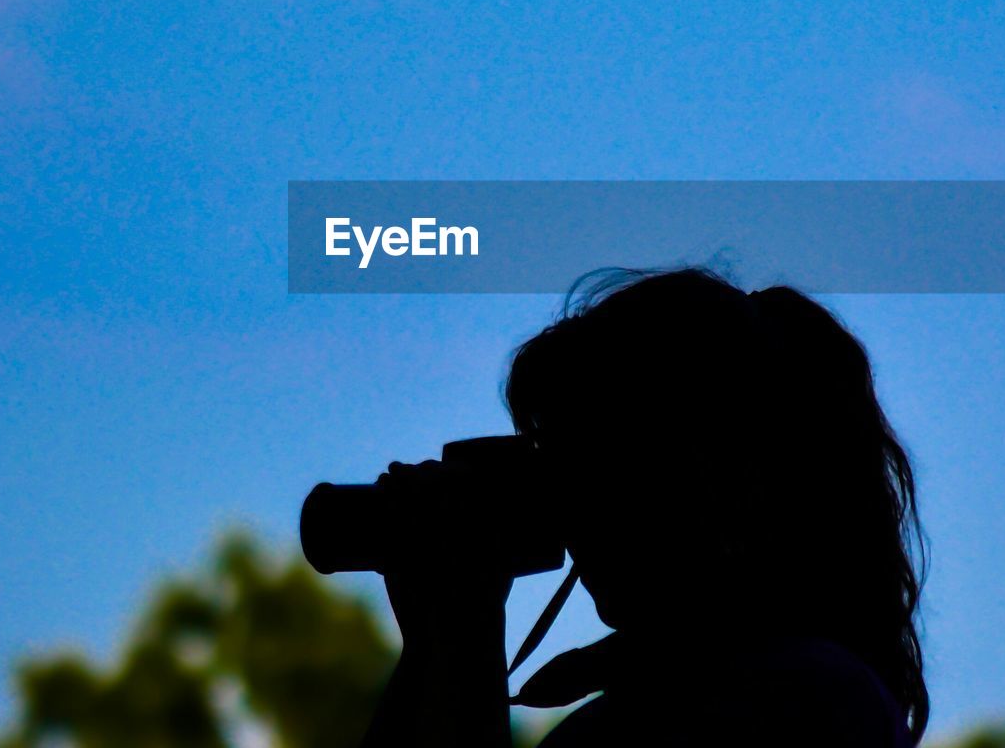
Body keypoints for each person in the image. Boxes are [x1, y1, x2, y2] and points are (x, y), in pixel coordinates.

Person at [360, 267, 928, 747]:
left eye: (593, 457)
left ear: (713, 474)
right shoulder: (776, 691)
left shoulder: (804, 698)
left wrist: (462, 639)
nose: (568, 503)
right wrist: (432, 648)